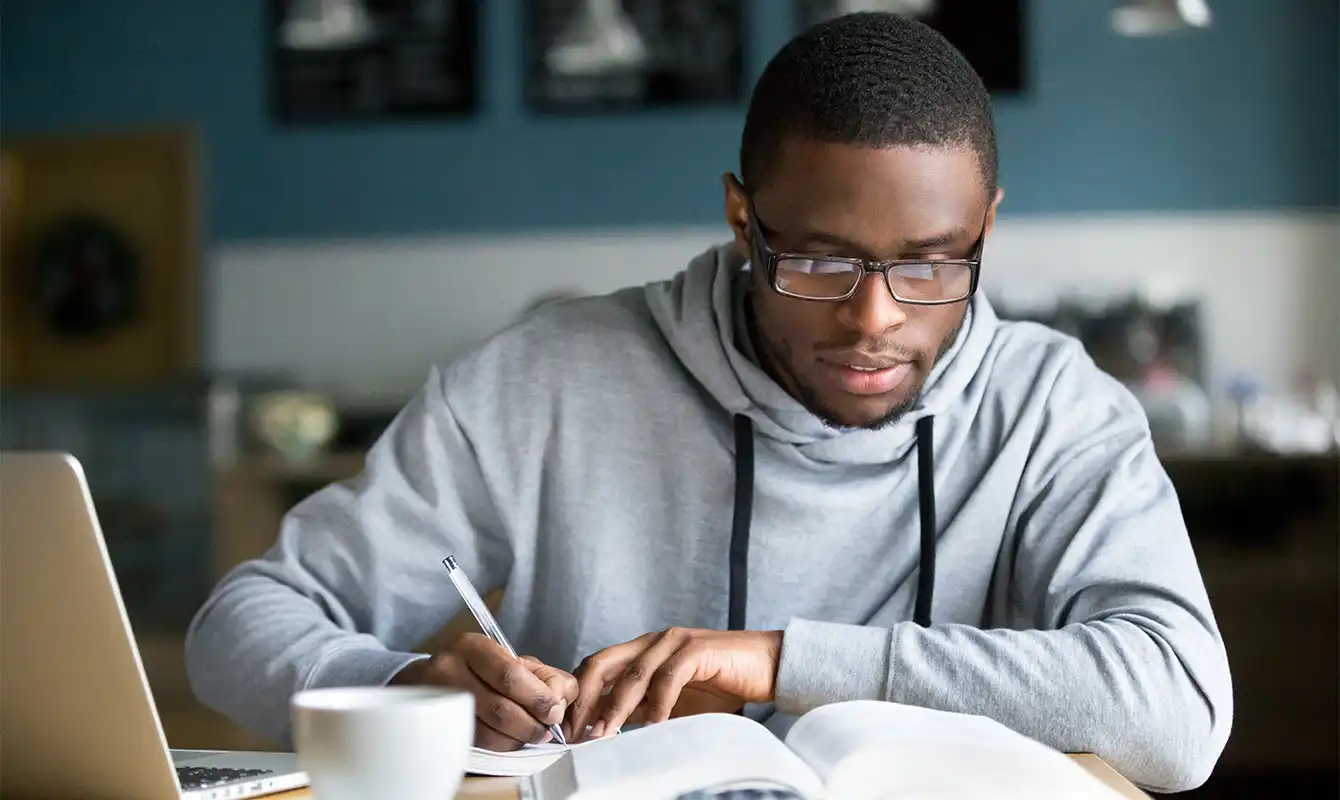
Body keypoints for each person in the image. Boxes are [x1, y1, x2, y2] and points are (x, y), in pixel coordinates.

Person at [186, 12, 1232, 793]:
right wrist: (408, 679)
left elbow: (1177, 708)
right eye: (818, 259)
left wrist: (774, 659)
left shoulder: (1052, 408)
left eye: (928, 264)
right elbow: (239, 622)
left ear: (984, 226)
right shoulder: (542, 379)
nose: (873, 318)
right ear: (743, 216)